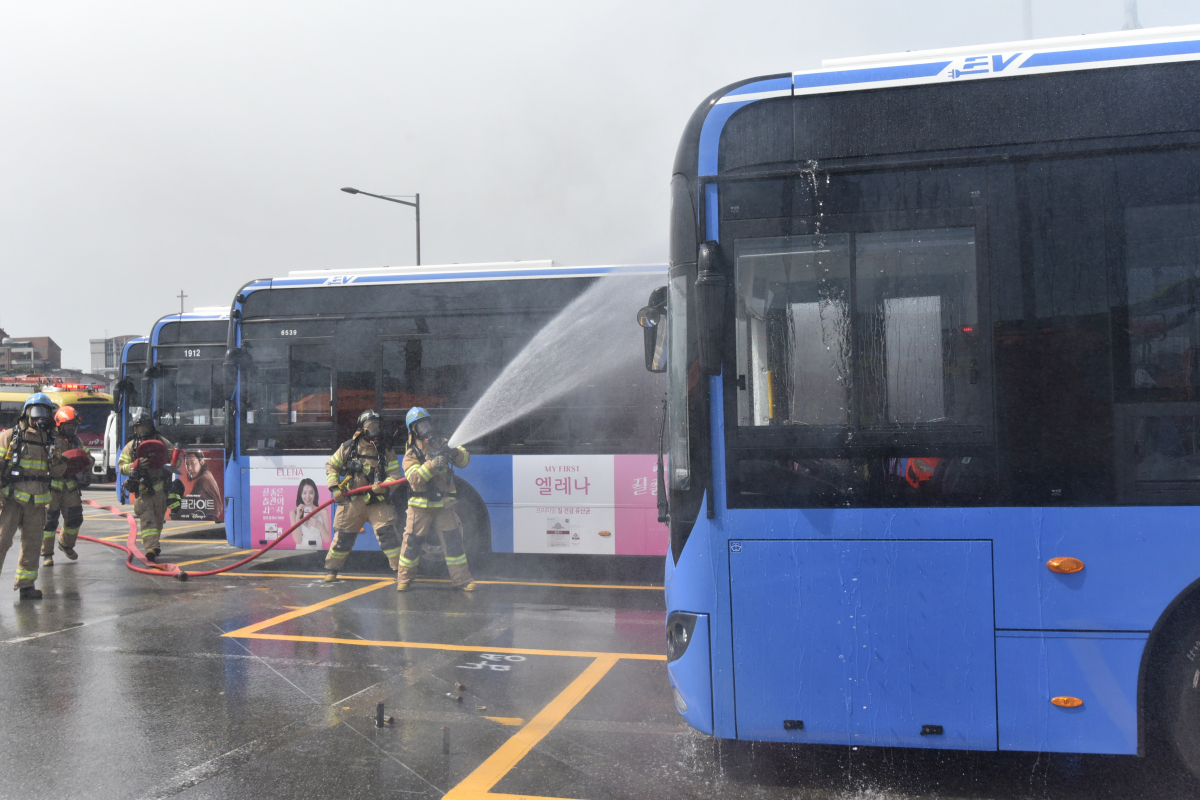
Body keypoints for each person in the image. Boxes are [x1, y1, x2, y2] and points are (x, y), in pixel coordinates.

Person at [397, 407, 475, 592]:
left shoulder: (444, 443)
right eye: (420, 426)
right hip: (419, 507)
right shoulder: (411, 454)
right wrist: (432, 465)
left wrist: (453, 452)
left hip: (444, 505)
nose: (426, 428)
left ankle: (463, 580)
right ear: (414, 430)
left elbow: (464, 461)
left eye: (427, 423)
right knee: (412, 545)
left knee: (454, 542)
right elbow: (414, 478)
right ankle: (404, 580)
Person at [323, 410, 403, 581]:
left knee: (388, 536)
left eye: (378, 426)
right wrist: (335, 488)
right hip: (353, 502)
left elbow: (396, 475)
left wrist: (384, 487)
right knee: (343, 538)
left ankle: (400, 573)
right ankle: (332, 570)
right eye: (370, 426)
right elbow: (331, 466)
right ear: (362, 428)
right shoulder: (348, 447)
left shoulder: (386, 450)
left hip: (378, 502)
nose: (375, 430)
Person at [0, 393, 58, 599]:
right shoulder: (10, 436)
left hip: (37, 502)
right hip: (11, 500)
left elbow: (58, 472)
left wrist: (60, 460)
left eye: (45, 411)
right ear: (26, 413)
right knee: (1, 542)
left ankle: (26, 586)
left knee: (32, 544)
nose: (40, 416)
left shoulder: (50, 440)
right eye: (36, 411)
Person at [117, 409, 178, 562]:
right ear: (135, 429)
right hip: (142, 489)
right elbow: (121, 466)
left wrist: (168, 462)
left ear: (151, 427)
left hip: (160, 488)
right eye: (139, 428)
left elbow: (177, 461)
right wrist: (135, 465)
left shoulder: (163, 442)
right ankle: (151, 548)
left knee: (158, 519)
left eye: (145, 427)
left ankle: (154, 544)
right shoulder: (132, 446)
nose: (142, 431)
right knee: (147, 519)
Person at [42, 406, 95, 567]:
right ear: (59, 424)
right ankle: (47, 554)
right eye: (69, 426)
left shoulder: (76, 441)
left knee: (75, 518)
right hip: (52, 486)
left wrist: (88, 461)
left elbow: (87, 457)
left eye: (74, 426)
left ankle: (66, 544)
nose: (72, 429)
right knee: (49, 522)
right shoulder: (49, 439)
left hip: (70, 485)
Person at [290, 477, 330, 550]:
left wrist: (319, 525)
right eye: (304, 493)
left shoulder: (323, 511)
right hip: (300, 554)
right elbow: (297, 540)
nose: (308, 497)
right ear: (300, 494)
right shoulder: (294, 513)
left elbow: (327, 539)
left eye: (311, 492)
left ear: (315, 494)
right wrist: (298, 518)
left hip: (317, 553)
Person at [182, 450, 223, 522]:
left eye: (192, 463)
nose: (189, 468)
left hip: (208, 523)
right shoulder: (207, 475)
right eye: (187, 464)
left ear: (202, 462)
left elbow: (191, 506)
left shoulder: (203, 480)